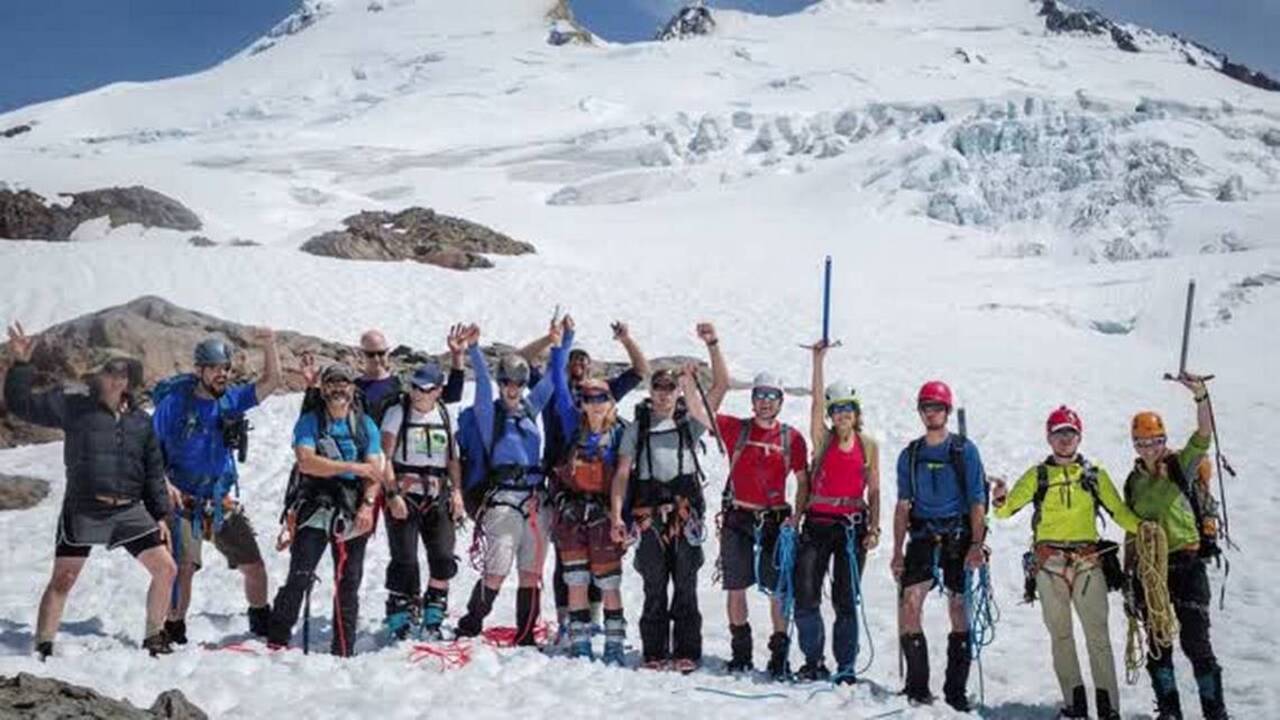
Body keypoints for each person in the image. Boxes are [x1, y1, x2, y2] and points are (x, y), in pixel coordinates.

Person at [5, 322, 177, 658]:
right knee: (64, 578)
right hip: (84, 508)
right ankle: (43, 645)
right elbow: (21, 404)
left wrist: (159, 515)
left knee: (166, 568)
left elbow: (153, 471)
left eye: (123, 372)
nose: (117, 378)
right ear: (96, 376)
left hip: (128, 510)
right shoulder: (74, 407)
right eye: (110, 371)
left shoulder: (141, 422)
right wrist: (21, 365)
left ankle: (154, 635)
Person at [991, 406, 1142, 720]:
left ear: (1079, 436)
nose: (1064, 439)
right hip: (1049, 565)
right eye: (1058, 433)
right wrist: (1000, 497)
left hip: (1087, 562)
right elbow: (1005, 512)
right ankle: (1076, 706)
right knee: (1061, 637)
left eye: (1070, 433)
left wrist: (1147, 529)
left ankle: (1108, 709)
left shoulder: (1093, 475)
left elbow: (1119, 512)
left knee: (1097, 636)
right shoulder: (1038, 476)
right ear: (1049, 437)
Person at [520, 318, 649, 646]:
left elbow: (639, 371)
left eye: (584, 362)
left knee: (602, 566)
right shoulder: (558, 397)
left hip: (603, 498)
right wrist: (559, 339)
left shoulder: (606, 409)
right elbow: (533, 368)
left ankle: (594, 624)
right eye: (573, 360)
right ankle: (571, 625)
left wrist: (626, 339)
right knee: (570, 561)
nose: (592, 402)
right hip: (564, 486)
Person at [152, 331, 281, 643]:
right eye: (215, 367)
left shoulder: (232, 399)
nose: (222, 373)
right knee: (184, 566)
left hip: (218, 500)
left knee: (254, 564)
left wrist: (269, 344)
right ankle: (174, 626)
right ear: (200, 370)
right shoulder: (174, 404)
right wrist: (165, 485)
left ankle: (261, 619)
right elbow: (150, 451)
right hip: (182, 499)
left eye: (226, 367)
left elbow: (271, 381)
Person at [610, 322, 723, 673]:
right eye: (657, 388)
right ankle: (654, 651)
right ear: (650, 390)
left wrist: (713, 345)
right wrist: (617, 516)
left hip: (684, 513)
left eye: (669, 388)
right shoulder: (637, 427)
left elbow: (719, 386)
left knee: (686, 584)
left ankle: (687, 650)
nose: (662, 394)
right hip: (647, 516)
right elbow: (622, 474)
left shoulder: (692, 422)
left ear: (677, 391)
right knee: (654, 584)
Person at [1123, 373, 1227, 720]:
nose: (1148, 448)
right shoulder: (1134, 480)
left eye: (1154, 441)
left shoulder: (1180, 464)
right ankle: (1169, 711)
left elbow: (1204, 435)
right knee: (1158, 643)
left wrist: (1200, 395)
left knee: (1196, 643)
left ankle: (1215, 712)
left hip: (1187, 560)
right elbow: (1131, 530)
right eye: (1141, 442)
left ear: (1163, 440)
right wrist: (1129, 577)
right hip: (1151, 569)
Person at [453, 323, 561, 646]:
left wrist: (559, 344)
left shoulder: (530, 410)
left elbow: (555, 381)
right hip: (502, 500)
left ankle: (526, 635)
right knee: (497, 567)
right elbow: (482, 387)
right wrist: (473, 349)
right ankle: (471, 623)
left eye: (518, 383)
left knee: (531, 571)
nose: (512, 389)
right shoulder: (489, 414)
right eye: (507, 383)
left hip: (534, 500)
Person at [267, 363, 383, 656]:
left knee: (349, 580)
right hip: (316, 503)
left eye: (343, 383)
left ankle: (343, 648)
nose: (338, 389)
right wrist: (351, 467)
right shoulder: (310, 421)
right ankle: (277, 638)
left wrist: (368, 505)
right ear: (323, 388)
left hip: (353, 506)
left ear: (352, 389)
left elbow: (374, 472)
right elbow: (306, 462)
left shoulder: (365, 425)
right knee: (301, 573)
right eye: (331, 383)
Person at [891, 380, 987, 710]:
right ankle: (917, 687)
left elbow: (977, 500)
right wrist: (895, 551)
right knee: (910, 605)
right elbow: (903, 504)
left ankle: (955, 692)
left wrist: (977, 543)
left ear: (946, 411)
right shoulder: (910, 455)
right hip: (922, 536)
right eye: (927, 408)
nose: (932, 413)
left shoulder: (964, 451)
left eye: (937, 408)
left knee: (959, 610)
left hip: (957, 537)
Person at [790, 340, 880, 682]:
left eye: (848, 408)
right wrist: (817, 361)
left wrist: (874, 527)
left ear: (856, 413)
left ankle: (845, 665)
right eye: (837, 408)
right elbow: (815, 403)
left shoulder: (869, 446)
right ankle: (813, 660)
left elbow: (875, 489)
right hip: (817, 524)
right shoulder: (823, 439)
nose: (842, 414)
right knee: (807, 593)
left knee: (845, 597)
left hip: (850, 527)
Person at [712, 354, 805, 680]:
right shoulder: (736, 429)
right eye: (760, 396)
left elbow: (803, 480)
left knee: (778, 589)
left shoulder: (791, 438)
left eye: (771, 397)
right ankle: (741, 653)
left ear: (780, 401)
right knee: (736, 587)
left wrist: (798, 514)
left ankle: (779, 656)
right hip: (738, 517)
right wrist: (710, 352)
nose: (765, 402)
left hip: (775, 521)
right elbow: (702, 411)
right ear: (752, 400)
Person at [547, 361, 628, 663]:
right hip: (572, 513)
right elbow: (558, 382)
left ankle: (614, 643)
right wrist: (560, 345)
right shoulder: (573, 426)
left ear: (610, 402)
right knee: (576, 578)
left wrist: (625, 518)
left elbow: (624, 477)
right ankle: (579, 641)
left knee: (609, 581)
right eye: (588, 399)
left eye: (600, 399)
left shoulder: (621, 434)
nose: (594, 405)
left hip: (605, 515)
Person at [379, 362, 464, 641]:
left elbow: (453, 458)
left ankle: (434, 613)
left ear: (438, 391)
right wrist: (391, 495)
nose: (417, 393)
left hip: (437, 495)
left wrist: (457, 492)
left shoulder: (443, 414)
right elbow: (384, 458)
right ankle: (400, 613)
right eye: (414, 386)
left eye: (424, 389)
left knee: (442, 556)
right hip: (405, 495)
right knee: (404, 557)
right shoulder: (397, 413)